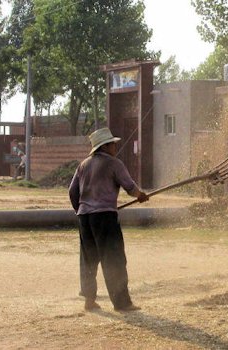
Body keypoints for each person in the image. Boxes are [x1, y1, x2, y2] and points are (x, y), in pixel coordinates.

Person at [69, 127, 149, 312]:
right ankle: (122, 303)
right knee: (114, 259)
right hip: (105, 216)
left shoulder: (83, 165)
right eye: (113, 144)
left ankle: (89, 300)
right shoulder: (114, 163)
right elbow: (129, 186)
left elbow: (72, 192)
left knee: (89, 260)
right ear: (105, 146)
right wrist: (140, 195)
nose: (115, 147)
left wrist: (82, 209)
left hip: (85, 218)